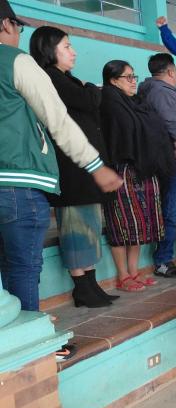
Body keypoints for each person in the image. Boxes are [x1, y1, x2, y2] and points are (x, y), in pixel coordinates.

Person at [0, 3, 122, 314]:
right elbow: (57, 119)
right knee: (23, 269)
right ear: (5, 25)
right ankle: (32, 349)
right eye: (18, 27)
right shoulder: (18, 62)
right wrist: (95, 166)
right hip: (18, 184)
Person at [29, 26, 120, 308]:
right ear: (49, 49)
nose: (74, 52)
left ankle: (90, 283)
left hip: (85, 169)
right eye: (67, 46)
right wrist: (91, 88)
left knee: (90, 226)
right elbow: (88, 100)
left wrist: (88, 89)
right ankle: (81, 287)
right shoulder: (50, 79)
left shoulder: (66, 78)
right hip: (72, 171)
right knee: (76, 228)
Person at [100, 60, 176, 292]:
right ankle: (123, 275)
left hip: (144, 170)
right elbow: (116, 139)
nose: (134, 81)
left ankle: (134, 271)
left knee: (140, 224)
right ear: (113, 81)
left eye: (134, 76)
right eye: (128, 77)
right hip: (121, 171)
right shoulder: (109, 103)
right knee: (122, 224)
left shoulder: (137, 103)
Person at [139, 53, 176, 277]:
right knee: (173, 209)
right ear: (171, 72)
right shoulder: (160, 92)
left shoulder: (162, 91)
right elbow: (173, 124)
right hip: (174, 157)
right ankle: (163, 259)